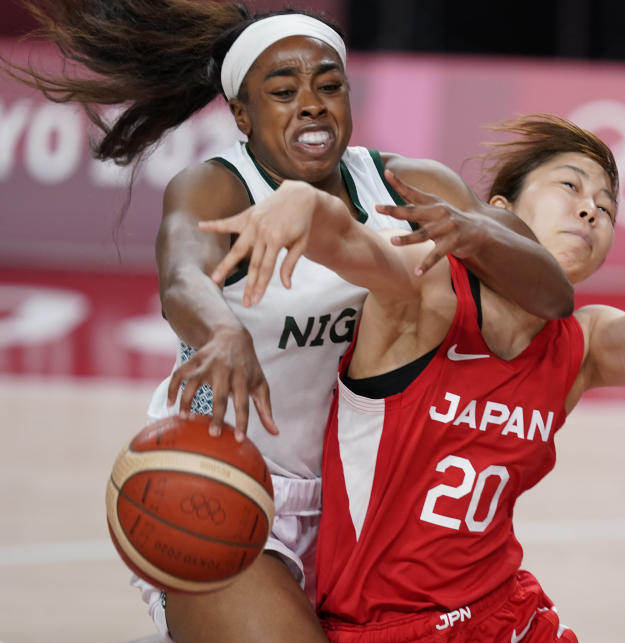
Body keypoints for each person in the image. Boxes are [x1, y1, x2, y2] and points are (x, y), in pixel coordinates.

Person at [2, 2, 575, 641]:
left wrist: (474, 231)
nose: (311, 103)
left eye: (329, 85)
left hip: (367, 511)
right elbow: (183, 276)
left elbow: (552, 295)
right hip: (223, 481)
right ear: (242, 115)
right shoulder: (218, 186)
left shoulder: (407, 183)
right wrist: (220, 332)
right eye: (283, 91)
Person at [201, 103, 625, 641]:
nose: (590, 209)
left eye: (606, 207)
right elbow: (355, 243)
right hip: (383, 624)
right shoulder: (428, 290)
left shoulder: (583, 343)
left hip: (505, 613)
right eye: (571, 187)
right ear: (499, 214)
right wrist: (306, 204)